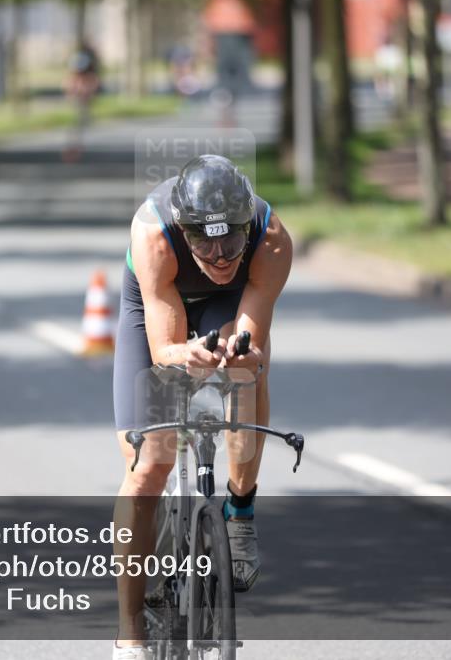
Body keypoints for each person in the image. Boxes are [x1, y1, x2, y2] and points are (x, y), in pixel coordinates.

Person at [112, 155, 292, 659]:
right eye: (204, 244)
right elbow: (164, 349)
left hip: (230, 303)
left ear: (246, 227)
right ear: (184, 231)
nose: (218, 256)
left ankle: (240, 510)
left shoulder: (271, 240)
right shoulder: (154, 235)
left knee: (244, 369)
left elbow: (252, 332)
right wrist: (184, 355)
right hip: (155, 299)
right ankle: (129, 632)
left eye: (230, 242)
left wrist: (239, 348)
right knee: (148, 466)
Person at [64, 42, 100, 161]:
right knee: (74, 130)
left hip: (82, 105)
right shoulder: (75, 77)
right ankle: (73, 151)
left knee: (77, 129)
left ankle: (75, 150)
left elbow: (92, 87)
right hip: (75, 106)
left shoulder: (88, 77)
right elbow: (69, 88)